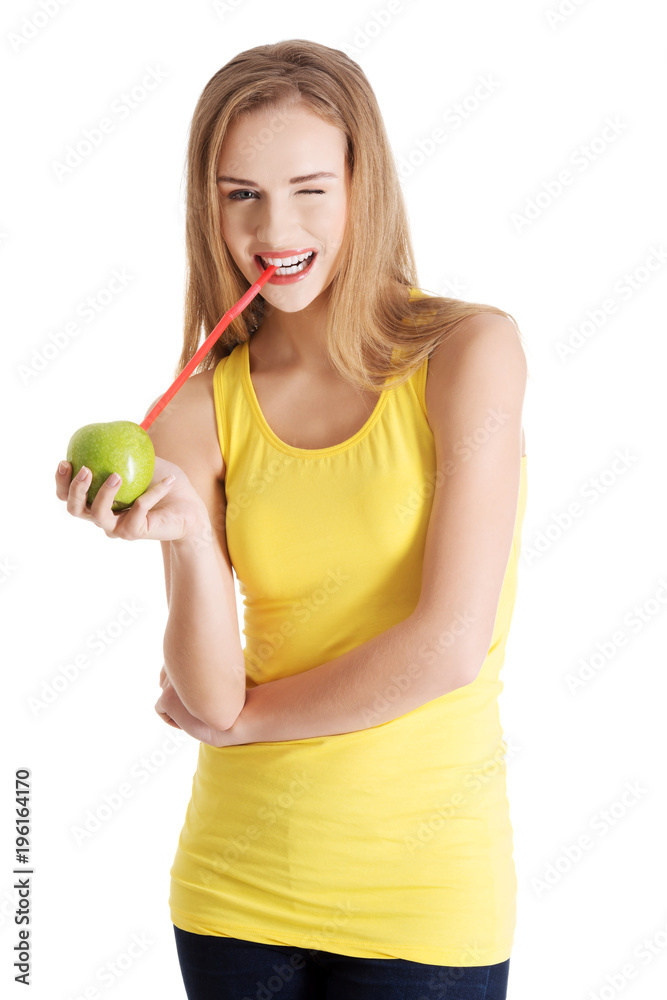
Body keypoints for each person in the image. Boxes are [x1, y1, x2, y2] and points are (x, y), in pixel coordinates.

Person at [55, 39, 528, 1000]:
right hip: (234, 893)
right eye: (241, 194)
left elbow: (448, 645)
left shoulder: (469, 352)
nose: (276, 227)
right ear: (209, 205)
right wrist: (188, 542)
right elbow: (208, 694)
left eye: (310, 187)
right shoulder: (192, 409)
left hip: (424, 895)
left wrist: (245, 724)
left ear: (364, 184)